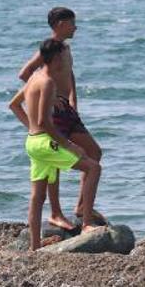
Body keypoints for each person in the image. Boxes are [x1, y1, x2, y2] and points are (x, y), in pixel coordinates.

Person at [9, 38, 102, 250]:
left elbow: (13, 105)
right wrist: (70, 145)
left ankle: (34, 248)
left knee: (38, 197)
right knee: (93, 167)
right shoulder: (49, 82)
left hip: (32, 142)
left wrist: (31, 128)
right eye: (65, 55)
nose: (68, 58)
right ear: (57, 58)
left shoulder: (34, 78)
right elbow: (45, 122)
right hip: (45, 142)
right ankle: (86, 223)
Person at [18, 6, 105, 228]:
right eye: (72, 23)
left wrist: (73, 97)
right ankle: (55, 212)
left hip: (68, 109)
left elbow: (69, 72)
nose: (75, 27)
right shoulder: (48, 50)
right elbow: (25, 74)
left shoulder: (65, 48)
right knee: (52, 164)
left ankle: (81, 206)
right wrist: (49, 93)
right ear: (60, 24)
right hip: (55, 111)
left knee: (94, 152)